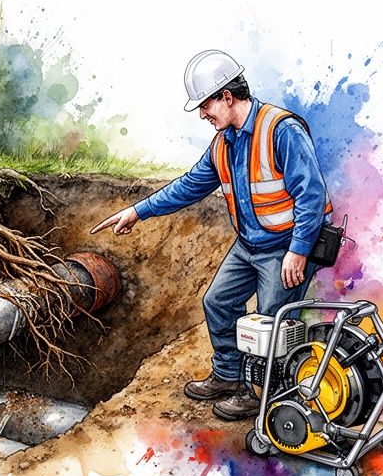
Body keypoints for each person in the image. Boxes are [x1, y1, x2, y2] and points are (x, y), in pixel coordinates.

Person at [90, 49, 333, 421]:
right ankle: (228, 375)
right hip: (250, 243)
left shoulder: (281, 130)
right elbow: (189, 186)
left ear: (226, 96)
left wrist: (298, 251)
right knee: (218, 302)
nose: (203, 114)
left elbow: (311, 194)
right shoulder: (224, 142)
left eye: (205, 106)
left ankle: (260, 393)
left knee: (270, 323)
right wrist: (137, 211)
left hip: (287, 246)